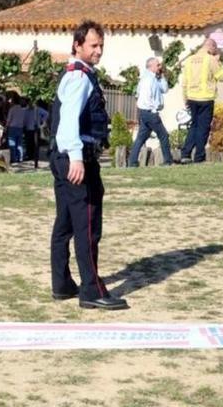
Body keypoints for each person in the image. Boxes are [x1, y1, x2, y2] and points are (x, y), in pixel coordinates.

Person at [49, 20, 128, 311]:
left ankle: (62, 284)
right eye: (93, 45)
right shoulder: (80, 78)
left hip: (62, 157)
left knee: (66, 224)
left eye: (101, 45)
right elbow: (69, 119)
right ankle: (91, 290)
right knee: (88, 226)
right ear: (77, 45)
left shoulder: (74, 75)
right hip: (76, 158)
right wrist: (77, 158)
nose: (98, 51)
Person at [179, 38, 223, 163]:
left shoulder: (189, 60)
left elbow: (184, 82)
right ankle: (199, 157)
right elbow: (221, 77)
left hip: (191, 98)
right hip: (205, 98)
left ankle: (185, 154)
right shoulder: (210, 59)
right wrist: (219, 62)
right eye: (215, 49)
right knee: (203, 128)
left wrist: (185, 99)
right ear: (212, 47)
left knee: (194, 126)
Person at [128, 57, 173, 166]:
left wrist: (161, 76)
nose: (160, 67)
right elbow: (146, 97)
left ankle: (132, 162)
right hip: (149, 112)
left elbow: (165, 89)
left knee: (141, 137)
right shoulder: (148, 79)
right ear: (151, 66)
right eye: (158, 65)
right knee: (163, 135)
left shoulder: (154, 78)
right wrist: (153, 110)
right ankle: (168, 161)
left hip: (145, 112)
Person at [5, 94, 26, 163]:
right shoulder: (23, 109)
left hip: (12, 127)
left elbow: (9, 119)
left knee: (12, 143)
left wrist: (6, 126)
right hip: (20, 127)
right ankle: (20, 158)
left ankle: (14, 158)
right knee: (19, 144)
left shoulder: (12, 109)